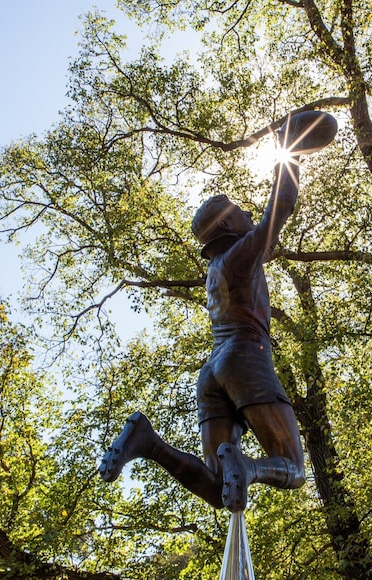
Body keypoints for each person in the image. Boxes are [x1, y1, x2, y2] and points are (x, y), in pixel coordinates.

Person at [100, 125, 312, 512]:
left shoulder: (214, 269)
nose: (248, 214)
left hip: (212, 372)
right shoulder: (240, 255)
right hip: (245, 357)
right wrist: (292, 153)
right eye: (240, 212)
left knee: (218, 489)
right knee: (294, 469)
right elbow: (276, 212)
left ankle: (148, 443)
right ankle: (247, 467)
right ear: (230, 227)